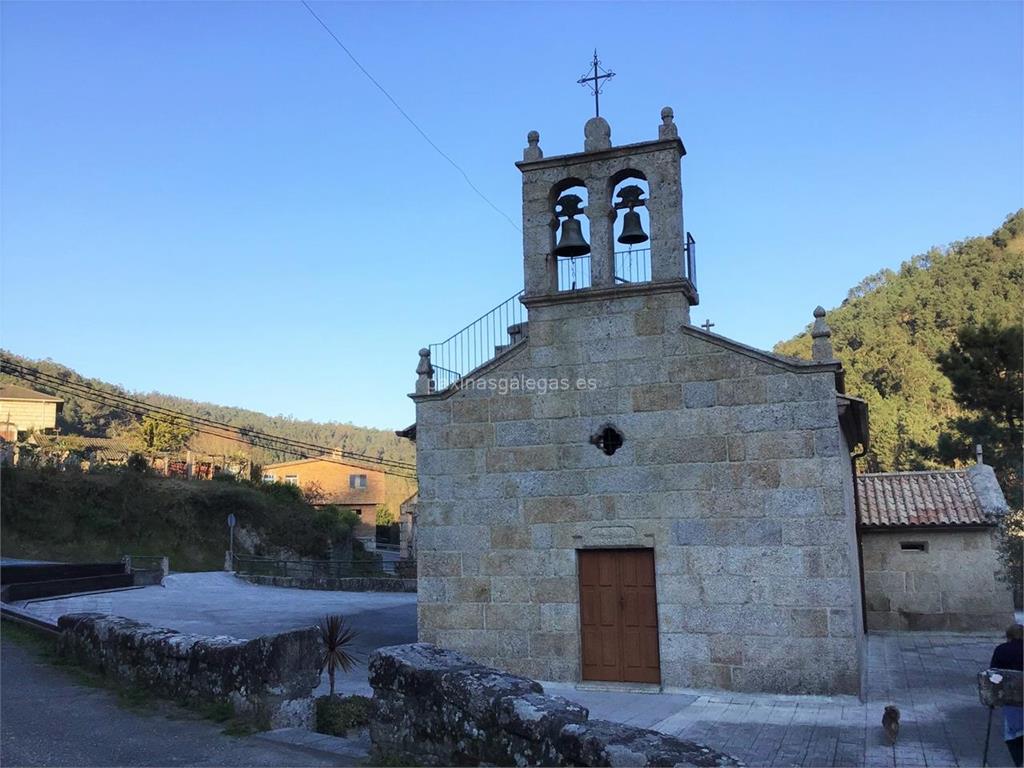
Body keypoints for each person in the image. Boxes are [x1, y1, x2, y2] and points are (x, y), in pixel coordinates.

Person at [991, 624, 1024, 767]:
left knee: (1012, 734)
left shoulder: (1001, 650)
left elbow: (993, 675)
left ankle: (1019, 762)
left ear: (1008, 636)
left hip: (1011, 699)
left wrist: (993, 698)